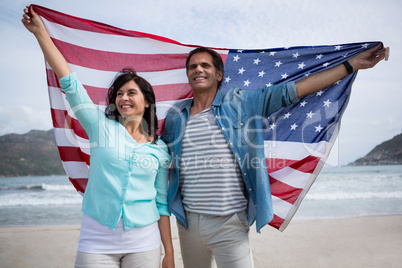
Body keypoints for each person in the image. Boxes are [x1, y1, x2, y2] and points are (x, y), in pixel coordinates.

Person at [162, 43, 386, 267]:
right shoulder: (175, 116)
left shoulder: (240, 103)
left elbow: (294, 90)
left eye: (205, 65)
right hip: (187, 223)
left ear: (219, 74)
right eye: (192, 67)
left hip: (229, 223)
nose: (198, 70)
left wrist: (351, 64)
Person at [22, 6, 174, 268]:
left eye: (131, 93)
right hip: (97, 238)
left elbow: (161, 203)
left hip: (145, 241)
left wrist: (168, 253)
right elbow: (70, 84)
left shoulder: (160, 149)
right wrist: (40, 34)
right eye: (119, 94)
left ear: (147, 101)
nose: (123, 98)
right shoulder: (99, 126)